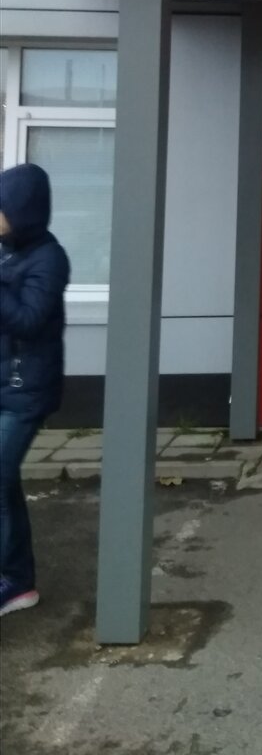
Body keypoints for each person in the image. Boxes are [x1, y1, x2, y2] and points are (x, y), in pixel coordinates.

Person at [0, 163, 70, 617]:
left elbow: (28, 320)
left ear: (21, 211)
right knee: (3, 483)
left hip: (26, 390)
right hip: (4, 383)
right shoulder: (7, 252)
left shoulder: (50, 258)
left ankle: (15, 580)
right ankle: (17, 580)